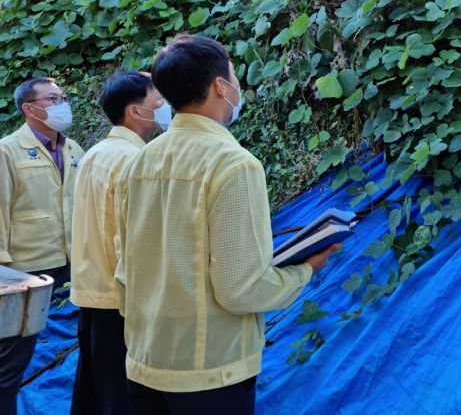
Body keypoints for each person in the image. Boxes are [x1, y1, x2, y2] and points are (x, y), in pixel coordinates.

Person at [115, 34, 338, 414]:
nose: (237, 85)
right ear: (220, 86)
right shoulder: (234, 164)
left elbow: (126, 266)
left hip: (144, 360)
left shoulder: (141, 160)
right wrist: (305, 270)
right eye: (233, 75)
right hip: (209, 369)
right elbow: (241, 289)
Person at [70, 71, 171, 415]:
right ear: (135, 111)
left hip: (92, 292)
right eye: (158, 100)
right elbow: (129, 240)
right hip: (121, 298)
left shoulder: (96, 153)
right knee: (121, 397)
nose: (164, 106)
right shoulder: (134, 160)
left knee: (94, 391)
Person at [0, 77, 85, 415]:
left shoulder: (73, 148)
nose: (62, 103)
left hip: (73, 257)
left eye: (63, 96)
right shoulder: (7, 150)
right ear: (29, 108)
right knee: (11, 358)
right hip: (25, 266)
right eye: (53, 99)